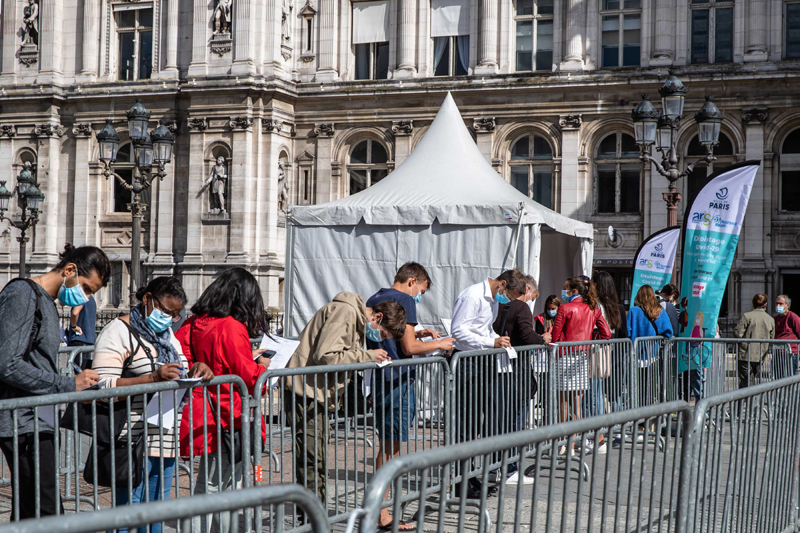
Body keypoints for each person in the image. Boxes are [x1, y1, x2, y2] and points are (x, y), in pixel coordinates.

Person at [92, 277, 213, 533]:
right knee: (129, 513)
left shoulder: (166, 335)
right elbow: (101, 386)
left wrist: (195, 369)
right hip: (132, 439)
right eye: (166, 311)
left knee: (157, 512)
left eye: (176, 315)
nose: (170, 319)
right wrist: (152, 379)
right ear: (148, 299)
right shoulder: (118, 331)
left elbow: (178, 368)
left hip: (165, 437)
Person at [0, 244, 109, 520]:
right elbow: (7, 363)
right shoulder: (23, 294)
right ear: (70, 270)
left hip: (38, 418)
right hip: (22, 422)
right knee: (46, 511)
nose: (85, 298)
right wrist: (68, 385)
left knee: (31, 511)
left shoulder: (46, 301)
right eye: (86, 288)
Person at [285, 292, 404, 510]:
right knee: (312, 459)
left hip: (313, 391)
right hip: (306, 391)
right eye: (382, 333)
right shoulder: (346, 312)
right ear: (378, 317)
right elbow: (327, 355)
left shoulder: (351, 316)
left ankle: (314, 515)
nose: (379, 338)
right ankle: (314, 517)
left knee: (315, 457)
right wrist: (367, 356)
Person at [176, 268, 272, 533]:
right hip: (229, 413)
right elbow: (249, 377)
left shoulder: (193, 323)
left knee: (214, 483)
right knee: (219, 484)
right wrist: (263, 367)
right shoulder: (231, 326)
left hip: (204, 409)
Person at [366, 263, 454, 530]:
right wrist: (440, 343)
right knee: (390, 449)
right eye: (422, 291)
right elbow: (409, 347)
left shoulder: (375, 297)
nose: (419, 296)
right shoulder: (404, 299)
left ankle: (380, 510)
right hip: (398, 380)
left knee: (388, 446)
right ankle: (381, 513)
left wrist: (419, 332)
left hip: (381, 377)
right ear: (413, 281)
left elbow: (392, 338)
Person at [450, 270, 523, 497]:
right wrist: (490, 342)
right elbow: (458, 330)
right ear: (502, 284)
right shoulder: (473, 295)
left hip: (480, 361)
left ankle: (469, 476)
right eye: (508, 295)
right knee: (466, 423)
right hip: (467, 362)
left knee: (474, 425)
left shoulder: (492, 300)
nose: (507, 300)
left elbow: (484, 328)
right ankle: (460, 481)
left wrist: (497, 339)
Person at [491, 274, 546, 485]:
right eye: (533, 295)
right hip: (517, 370)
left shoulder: (500, 305)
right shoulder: (521, 307)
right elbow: (527, 335)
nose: (532, 300)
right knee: (514, 421)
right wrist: (542, 339)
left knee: (500, 420)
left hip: (501, 369)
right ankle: (510, 469)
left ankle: (496, 467)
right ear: (527, 290)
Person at [551, 276, 611, 455]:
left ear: (574, 291)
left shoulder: (564, 308)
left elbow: (555, 337)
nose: (564, 292)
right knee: (577, 406)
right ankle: (572, 444)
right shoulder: (593, 309)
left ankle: (563, 444)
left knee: (563, 405)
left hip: (564, 357)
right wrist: (590, 340)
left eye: (566, 288)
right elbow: (606, 334)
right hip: (582, 358)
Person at [587, 271, 627, 452]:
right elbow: (624, 334)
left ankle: (599, 437)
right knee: (607, 395)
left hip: (596, 354)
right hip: (612, 355)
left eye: (593, 283)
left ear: (597, 285)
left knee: (595, 395)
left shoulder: (595, 306)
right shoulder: (617, 307)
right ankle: (608, 433)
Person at [628, 285, 674, 409]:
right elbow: (668, 332)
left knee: (637, 388)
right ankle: (649, 414)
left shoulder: (633, 311)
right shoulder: (659, 311)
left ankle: (638, 414)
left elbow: (627, 332)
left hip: (636, 354)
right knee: (651, 388)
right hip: (653, 354)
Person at [734, 293, 775, 388]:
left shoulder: (747, 316)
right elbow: (772, 338)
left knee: (747, 382)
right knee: (748, 381)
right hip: (761, 355)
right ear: (765, 304)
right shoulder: (770, 319)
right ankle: (744, 397)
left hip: (745, 354)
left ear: (753, 303)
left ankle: (749, 397)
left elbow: (738, 333)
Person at [534, 295, 560, 426]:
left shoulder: (560, 318)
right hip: (544, 358)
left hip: (558, 357)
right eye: (549, 308)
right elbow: (539, 336)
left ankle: (556, 415)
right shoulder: (540, 318)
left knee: (557, 389)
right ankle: (546, 416)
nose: (551, 311)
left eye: (553, 308)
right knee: (545, 388)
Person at [774, 294, 800, 375]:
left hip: (790, 353)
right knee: (778, 377)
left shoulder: (793, 317)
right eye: (777, 303)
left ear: (787, 305)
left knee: (789, 376)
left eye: (781, 304)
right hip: (778, 353)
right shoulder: (775, 319)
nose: (778, 306)